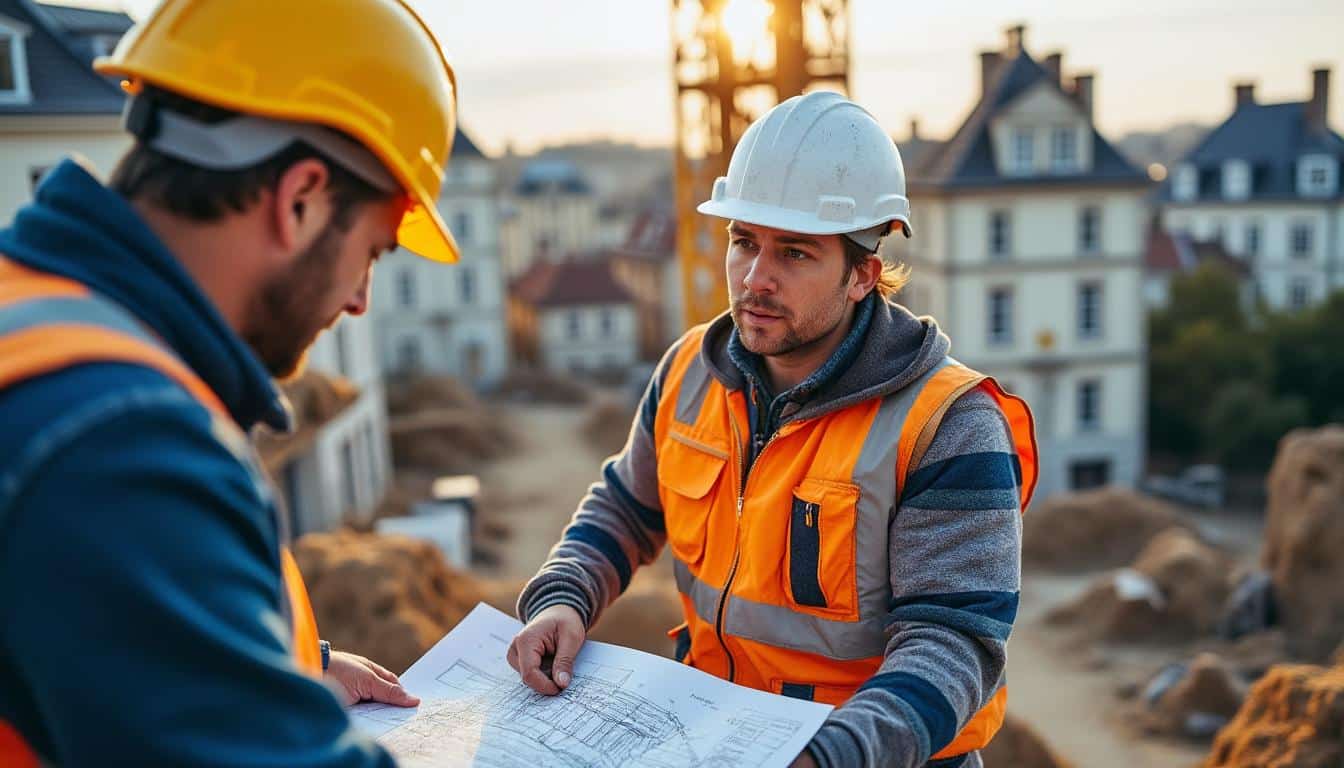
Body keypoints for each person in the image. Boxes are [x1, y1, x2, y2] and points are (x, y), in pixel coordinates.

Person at [508, 91, 1038, 768]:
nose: (755, 279)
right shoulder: (690, 371)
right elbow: (626, 506)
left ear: (862, 275)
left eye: (794, 253)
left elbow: (954, 643)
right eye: (743, 242)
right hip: (710, 741)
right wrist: (564, 596)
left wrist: (833, 752)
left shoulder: (948, 424)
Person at [0, 0, 459, 764]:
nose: (358, 301)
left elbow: (92, 637)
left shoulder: (38, 324)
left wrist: (276, 674)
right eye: (373, 253)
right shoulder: (122, 435)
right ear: (301, 198)